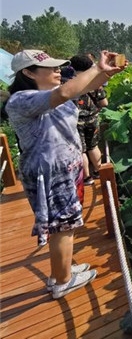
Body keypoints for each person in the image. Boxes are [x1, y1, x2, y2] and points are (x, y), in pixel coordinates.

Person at [5, 49, 125, 299]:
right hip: (49, 172)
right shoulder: (21, 100)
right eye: (50, 67)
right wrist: (96, 67)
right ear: (28, 72)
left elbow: (82, 88)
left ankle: (63, 270)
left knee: (66, 223)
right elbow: (64, 93)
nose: (57, 70)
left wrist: (106, 73)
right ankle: (63, 281)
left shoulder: (47, 96)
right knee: (62, 227)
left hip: (65, 167)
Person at [69, 55, 108, 186]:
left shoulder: (69, 83)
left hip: (75, 121)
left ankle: (87, 178)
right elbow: (104, 103)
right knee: (93, 146)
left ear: (72, 67)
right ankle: (98, 171)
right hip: (93, 119)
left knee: (81, 150)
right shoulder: (96, 82)